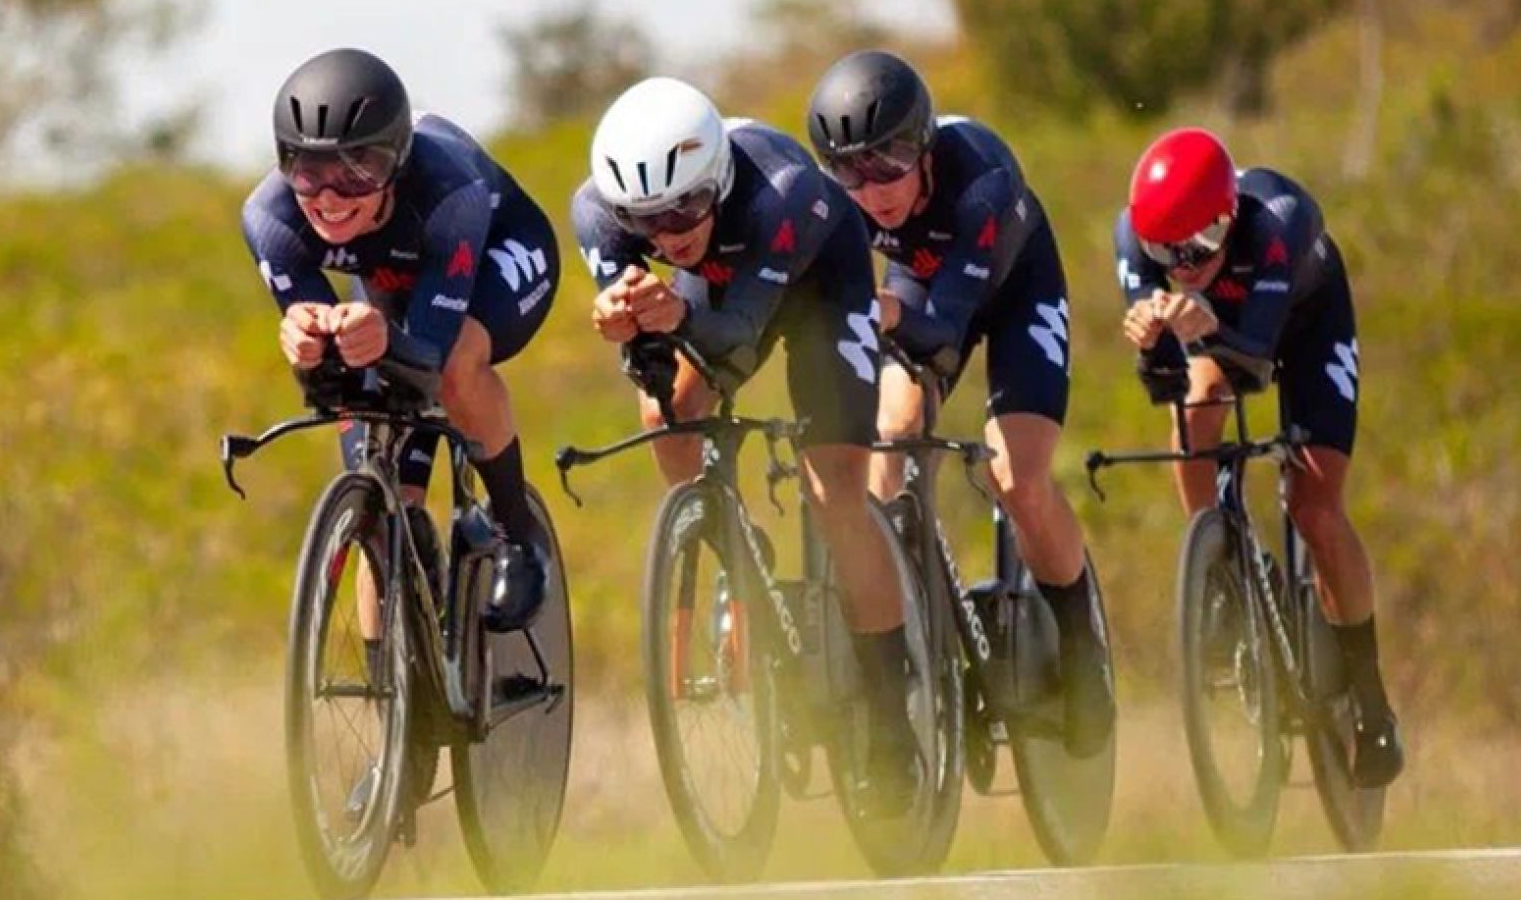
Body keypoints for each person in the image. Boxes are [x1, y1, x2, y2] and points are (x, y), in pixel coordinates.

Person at [571, 76, 916, 816]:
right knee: (664, 411)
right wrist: (627, 322)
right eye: (646, 220)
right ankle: (721, 534)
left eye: (686, 209)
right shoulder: (598, 214)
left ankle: (892, 718)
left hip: (820, 286)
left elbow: (735, 333)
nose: (668, 234)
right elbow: (660, 357)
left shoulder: (782, 191)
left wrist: (665, 312)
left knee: (835, 498)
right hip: (726, 286)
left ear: (717, 180)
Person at [806, 50, 1113, 756]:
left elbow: (943, 327)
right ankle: (909, 615)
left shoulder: (982, 181)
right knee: (890, 434)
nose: (873, 187)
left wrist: (875, 312)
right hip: (916, 287)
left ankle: (1079, 643)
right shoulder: (845, 206)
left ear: (924, 145)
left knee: (1018, 476)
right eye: (851, 171)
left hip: (1011, 289)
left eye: (888, 163)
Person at [1113, 126, 1403, 788]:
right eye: (1165, 252)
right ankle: (1219, 566)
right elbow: (1163, 381)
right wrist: (1148, 343)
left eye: (1197, 247)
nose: (1181, 264)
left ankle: (1370, 696)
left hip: (1303, 320)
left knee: (1315, 506)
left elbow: (1255, 353)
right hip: (1219, 325)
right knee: (1194, 410)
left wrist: (1202, 322)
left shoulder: (1281, 221)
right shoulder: (1135, 239)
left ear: (1228, 218)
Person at [241, 48, 557, 635]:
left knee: (458, 365)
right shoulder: (269, 219)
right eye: (308, 170)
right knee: (383, 490)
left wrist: (384, 339)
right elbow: (337, 377)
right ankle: (394, 693)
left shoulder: (447, 188)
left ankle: (517, 533)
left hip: (492, 255)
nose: (330, 197)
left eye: (357, 170)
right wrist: (310, 348)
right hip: (391, 281)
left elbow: (429, 360)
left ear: (399, 161)